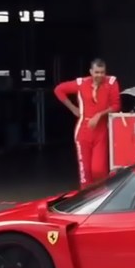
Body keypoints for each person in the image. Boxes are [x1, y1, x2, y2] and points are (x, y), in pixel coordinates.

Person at [54, 58, 122, 188]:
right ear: (91, 72)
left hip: (101, 130)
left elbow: (116, 105)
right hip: (83, 131)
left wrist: (99, 115)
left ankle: (101, 200)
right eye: (96, 72)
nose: (99, 75)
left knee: (99, 170)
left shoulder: (112, 82)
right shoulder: (81, 83)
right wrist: (73, 108)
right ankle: (85, 203)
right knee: (85, 173)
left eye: (102, 72)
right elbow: (58, 90)